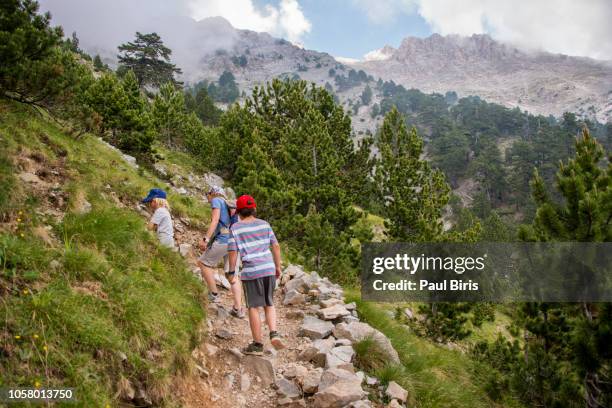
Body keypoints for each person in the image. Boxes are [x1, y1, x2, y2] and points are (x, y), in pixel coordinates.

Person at [227, 194, 285, 355]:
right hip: (268, 268)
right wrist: (277, 266)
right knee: (269, 303)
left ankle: (257, 344)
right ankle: (274, 333)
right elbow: (276, 245)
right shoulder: (265, 224)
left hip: (251, 270)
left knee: (253, 307)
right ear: (254, 209)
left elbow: (233, 251)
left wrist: (232, 271)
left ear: (238, 212)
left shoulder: (235, 228)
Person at [198, 186, 244, 318]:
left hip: (223, 240)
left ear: (212, 193)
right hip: (234, 242)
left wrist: (205, 239)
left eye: (207, 194)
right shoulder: (229, 205)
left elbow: (215, 220)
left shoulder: (217, 201)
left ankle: (213, 294)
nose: (207, 197)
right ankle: (238, 309)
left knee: (203, 263)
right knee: (232, 276)